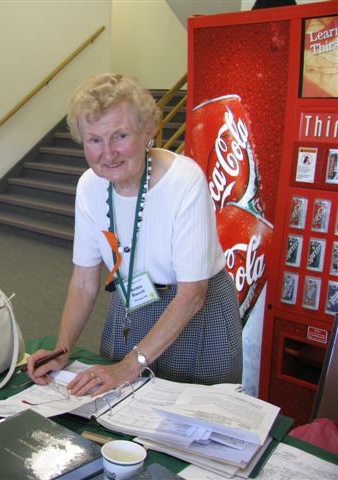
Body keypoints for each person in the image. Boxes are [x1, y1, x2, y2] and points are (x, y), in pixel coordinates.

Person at [27, 73, 242, 396]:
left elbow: (192, 296)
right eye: (94, 140)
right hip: (133, 307)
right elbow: (85, 280)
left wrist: (129, 366)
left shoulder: (184, 181)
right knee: (116, 413)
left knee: (190, 430)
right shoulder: (89, 186)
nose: (108, 153)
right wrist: (63, 349)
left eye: (120, 135)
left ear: (148, 131)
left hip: (197, 314)